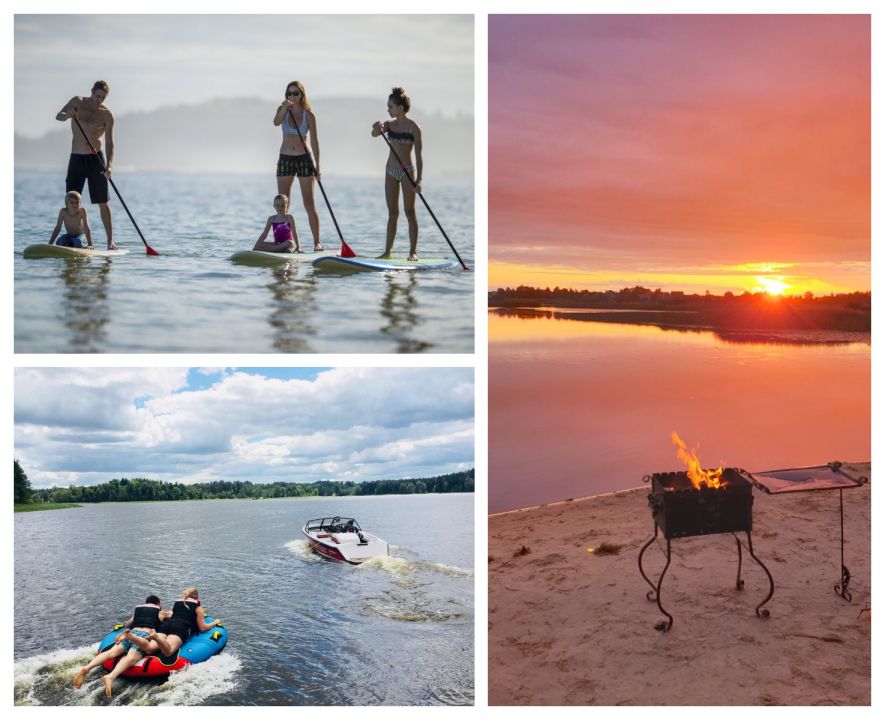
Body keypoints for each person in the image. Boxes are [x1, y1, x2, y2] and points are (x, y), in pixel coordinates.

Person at [55, 80, 116, 250]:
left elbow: (110, 143)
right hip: (77, 158)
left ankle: (110, 241)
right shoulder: (77, 102)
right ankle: (74, 237)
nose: (99, 100)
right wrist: (68, 115)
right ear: (92, 91)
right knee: (71, 202)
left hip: (96, 160)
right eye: (97, 96)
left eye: (103, 98)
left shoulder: (107, 115)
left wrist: (109, 166)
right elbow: (58, 116)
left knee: (103, 201)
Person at [72, 595, 171, 699]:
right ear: (158, 604)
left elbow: (127, 624)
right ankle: (110, 677)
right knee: (130, 658)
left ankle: (86, 668)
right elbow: (172, 617)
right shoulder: (161, 612)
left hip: (131, 633)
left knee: (110, 653)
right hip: (143, 637)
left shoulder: (138, 611)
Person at [372, 86, 423, 261]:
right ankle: (387, 252)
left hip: (407, 172)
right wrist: (376, 128)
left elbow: (419, 156)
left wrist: (419, 180)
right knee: (392, 213)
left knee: (410, 212)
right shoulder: (388, 125)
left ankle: (412, 252)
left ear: (400, 107)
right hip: (390, 172)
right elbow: (374, 134)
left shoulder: (414, 128)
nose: (388, 110)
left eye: (391, 107)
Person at [274, 81, 323, 251]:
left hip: (304, 159)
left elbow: (314, 142)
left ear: (302, 95)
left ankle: (317, 242)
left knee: (309, 204)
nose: (292, 96)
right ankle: (284, 243)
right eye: (289, 93)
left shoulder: (309, 116)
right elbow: (276, 122)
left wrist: (318, 166)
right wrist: (283, 108)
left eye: (296, 93)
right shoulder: (283, 110)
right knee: (283, 204)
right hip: (285, 158)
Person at [121, 586, 221, 660]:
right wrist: (215, 622)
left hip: (167, 625)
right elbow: (202, 628)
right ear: (197, 597)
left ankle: (131, 636)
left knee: (149, 649)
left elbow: (174, 614)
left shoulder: (177, 603)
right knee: (168, 652)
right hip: (180, 628)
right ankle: (156, 637)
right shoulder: (198, 608)